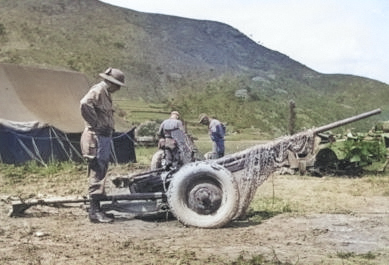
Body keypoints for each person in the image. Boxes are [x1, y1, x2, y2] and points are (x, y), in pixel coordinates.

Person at [80, 67, 125, 223]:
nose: (118, 89)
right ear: (111, 82)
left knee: (100, 170)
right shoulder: (99, 90)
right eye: (117, 85)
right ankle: (94, 212)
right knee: (97, 172)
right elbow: (84, 104)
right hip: (96, 137)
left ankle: (97, 208)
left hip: (102, 137)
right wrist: (96, 123)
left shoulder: (106, 93)